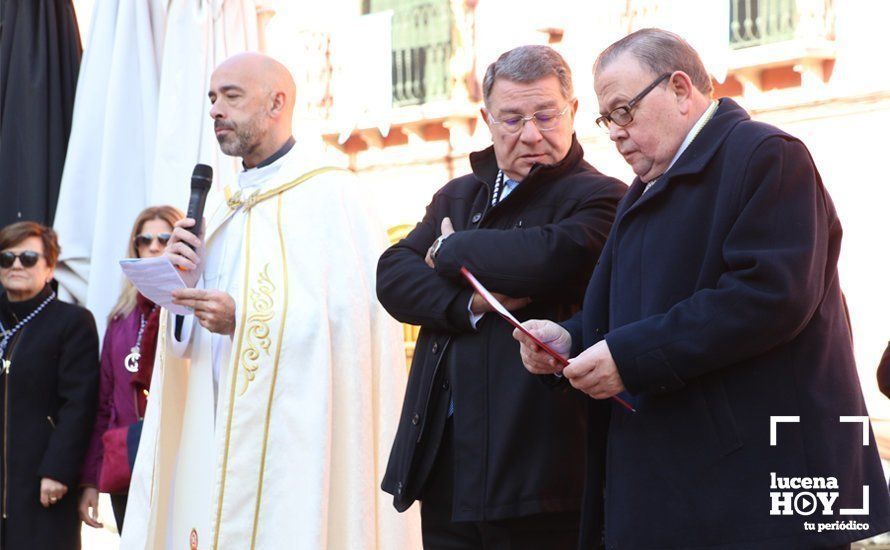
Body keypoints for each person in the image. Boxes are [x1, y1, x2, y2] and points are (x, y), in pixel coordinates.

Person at [514, 29, 890, 548]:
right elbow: (636, 310)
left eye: (624, 111)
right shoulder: (649, 185)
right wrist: (570, 340)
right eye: (607, 120)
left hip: (764, 493)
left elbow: (769, 297)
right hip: (685, 487)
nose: (616, 133)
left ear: (681, 89)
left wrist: (628, 356)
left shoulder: (768, 156)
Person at [121, 53, 419, 549]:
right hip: (215, 427)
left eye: (231, 96)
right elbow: (185, 340)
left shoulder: (333, 195)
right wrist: (178, 284)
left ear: (277, 102)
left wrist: (245, 319)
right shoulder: (221, 206)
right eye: (212, 98)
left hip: (295, 438)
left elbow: (352, 319)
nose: (216, 109)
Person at [378, 45, 625, 548]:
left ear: (573, 112)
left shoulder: (603, 196)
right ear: (487, 120)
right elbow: (393, 276)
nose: (531, 134)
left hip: (542, 478)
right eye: (512, 119)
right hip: (445, 467)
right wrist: (468, 304)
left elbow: (548, 258)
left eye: (545, 114)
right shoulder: (458, 195)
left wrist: (449, 249)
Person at [78, 206, 183, 533]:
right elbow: (105, 404)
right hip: (129, 461)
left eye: (164, 238)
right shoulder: (121, 318)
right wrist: (90, 481)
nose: (153, 246)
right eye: (144, 239)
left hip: (179, 459)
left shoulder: (192, 309)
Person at [0, 222, 99, 549]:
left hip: (42, 479)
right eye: (7, 257)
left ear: (50, 267)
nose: (16, 264)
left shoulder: (73, 322)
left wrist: (58, 469)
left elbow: (79, 404)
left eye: (28, 257)